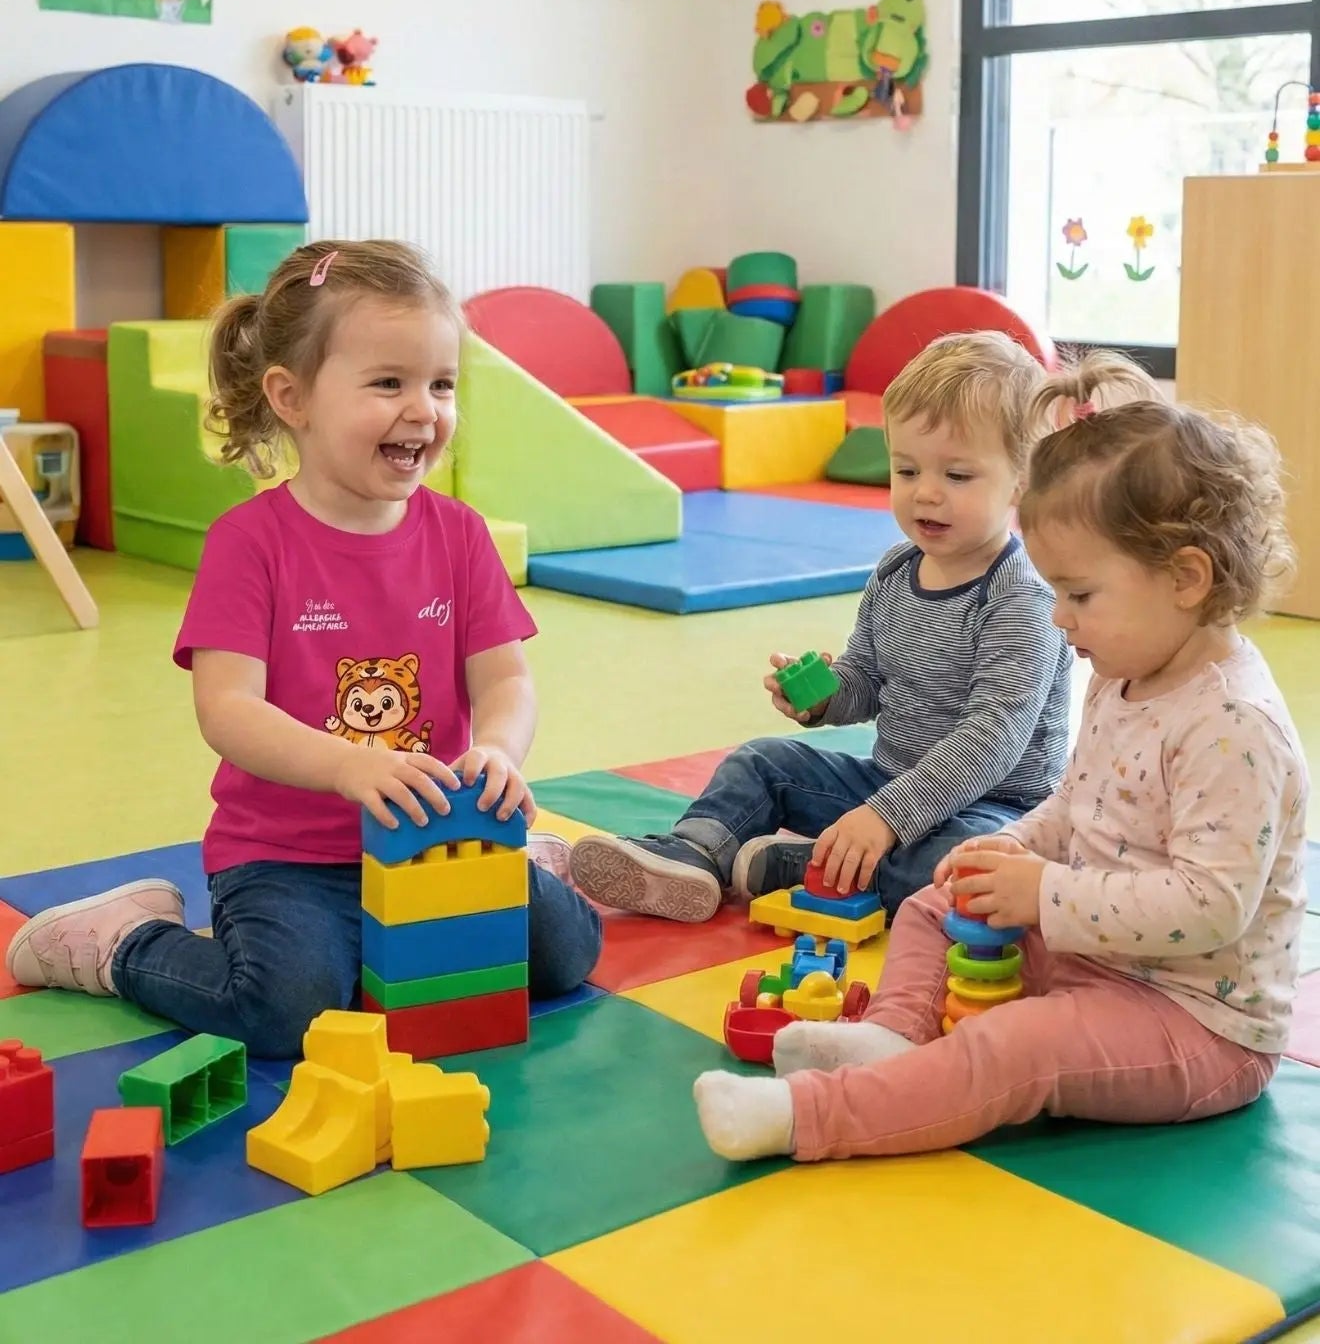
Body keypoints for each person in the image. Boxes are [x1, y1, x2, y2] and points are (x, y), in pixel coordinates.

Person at [692, 354, 1307, 1163]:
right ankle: (892, 1042)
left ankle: (811, 1118)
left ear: (1187, 578)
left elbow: (1210, 906)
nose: (1059, 620)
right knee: (933, 903)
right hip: (1105, 959)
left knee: (1019, 1046)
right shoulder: (1127, 677)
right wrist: (1018, 847)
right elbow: (1075, 804)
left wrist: (1044, 891)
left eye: (1078, 595)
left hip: (1194, 1020)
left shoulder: (1233, 727)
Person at [6, 240, 602, 1057]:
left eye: (441, 383)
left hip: (436, 836)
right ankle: (123, 943)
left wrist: (498, 751)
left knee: (569, 956)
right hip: (289, 856)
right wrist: (348, 765)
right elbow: (227, 709)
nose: (424, 409)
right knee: (291, 1011)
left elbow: (506, 677)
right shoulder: (249, 542)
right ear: (292, 398)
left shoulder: (459, 535)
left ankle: (528, 860)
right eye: (388, 383)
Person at [570, 331, 1071, 925]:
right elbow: (867, 680)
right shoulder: (895, 569)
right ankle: (696, 852)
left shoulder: (1021, 596)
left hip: (996, 808)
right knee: (761, 760)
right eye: (906, 470)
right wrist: (826, 697)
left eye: (958, 476)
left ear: (1020, 482)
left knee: (967, 868)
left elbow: (991, 743)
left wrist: (888, 817)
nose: (926, 493)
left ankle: (813, 865)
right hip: (891, 782)